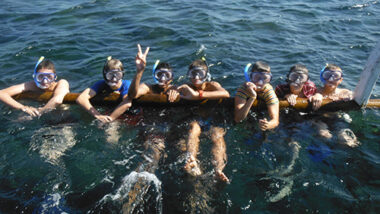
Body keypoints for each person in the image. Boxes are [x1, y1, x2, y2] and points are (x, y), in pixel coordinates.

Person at [177, 58, 230, 183]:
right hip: (196, 120)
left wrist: (197, 95)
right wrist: (173, 90)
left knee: (217, 135)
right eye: (193, 74)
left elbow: (225, 93)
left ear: (206, 75)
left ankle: (218, 170)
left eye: (200, 74)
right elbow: (173, 90)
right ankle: (192, 160)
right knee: (193, 128)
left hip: (212, 120)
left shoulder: (212, 85)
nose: (196, 77)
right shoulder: (186, 88)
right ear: (188, 75)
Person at [76, 44, 149, 123]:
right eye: (110, 75)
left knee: (111, 126)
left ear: (122, 75)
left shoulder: (126, 84)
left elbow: (127, 103)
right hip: (112, 113)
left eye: (117, 75)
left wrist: (109, 119)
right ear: (105, 75)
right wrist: (98, 115)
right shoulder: (101, 84)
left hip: (130, 115)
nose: (114, 79)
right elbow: (81, 98)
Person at [0, 56, 70, 117]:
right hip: (45, 119)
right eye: (40, 77)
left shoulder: (62, 83)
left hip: (64, 118)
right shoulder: (33, 85)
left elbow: (57, 100)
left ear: (55, 77)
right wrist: (23, 108)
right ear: (35, 77)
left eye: (49, 77)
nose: (45, 81)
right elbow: (1, 93)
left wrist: (39, 112)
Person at [309, 64, 359, 147]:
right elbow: (309, 95)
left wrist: (351, 96)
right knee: (324, 135)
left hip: (337, 118)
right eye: (327, 75)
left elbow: (353, 95)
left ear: (340, 80)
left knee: (346, 139)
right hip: (319, 118)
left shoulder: (344, 92)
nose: (331, 79)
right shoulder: (317, 91)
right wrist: (317, 95)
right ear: (322, 77)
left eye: (336, 76)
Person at [234, 61, 279, 131]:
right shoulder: (244, 89)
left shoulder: (268, 90)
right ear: (251, 77)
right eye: (257, 77)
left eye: (265, 78)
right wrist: (252, 97)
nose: (260, 82)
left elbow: (275, 120)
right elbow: (238, 119)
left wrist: (268, 125)